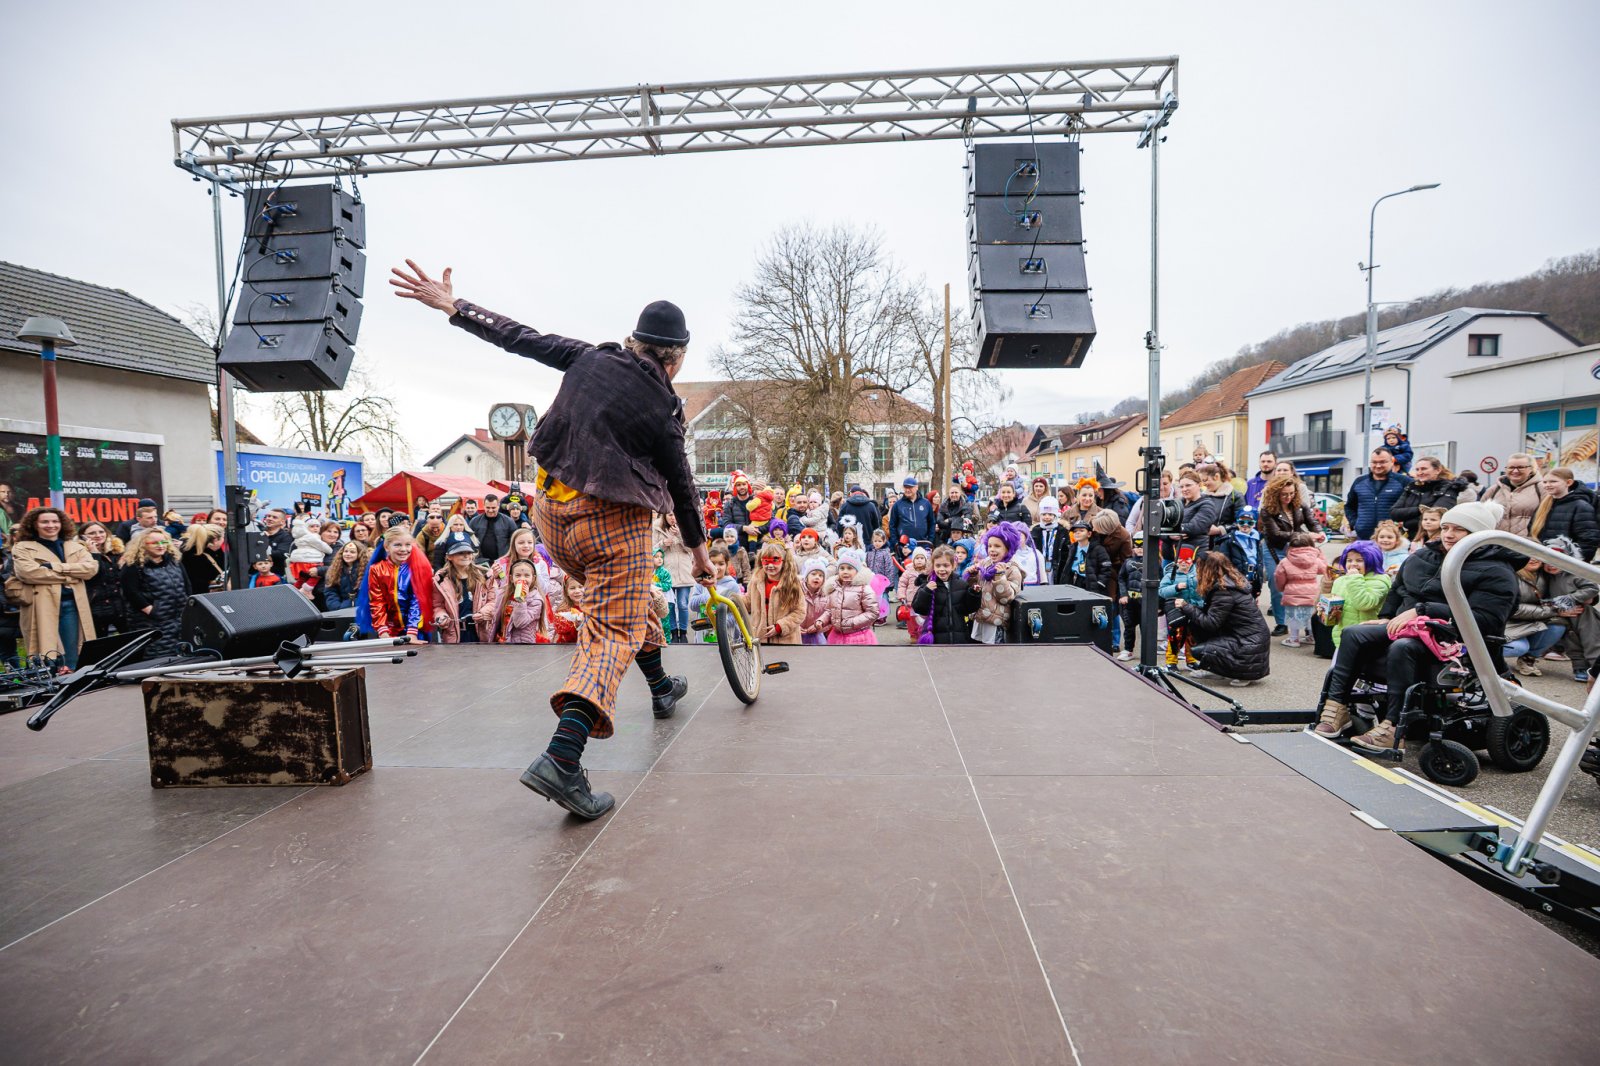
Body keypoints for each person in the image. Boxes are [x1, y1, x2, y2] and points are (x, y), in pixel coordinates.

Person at [395, 262, 715, 818]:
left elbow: (522, 337)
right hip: (615, 524)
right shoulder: (664, 407)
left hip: (551, 520)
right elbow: (682, 487)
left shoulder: (592, 356)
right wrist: (700, 548)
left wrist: (454, 306)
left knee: (629, 599)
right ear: (677, 356)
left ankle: (660, 685)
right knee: (610, 631)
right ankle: (564, 761)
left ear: (634, 341)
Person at [1316, 501, 1521, 746]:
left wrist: (1423, 610)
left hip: (1454, 640)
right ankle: (1338, 708)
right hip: (1407, 627)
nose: (1448, 534)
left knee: (1403, 646)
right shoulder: (1425, 555)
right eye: (1445, 527)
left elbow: (1485, 621)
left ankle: (1392, 727)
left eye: (1459, 529)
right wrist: (1386, 615)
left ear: (1477, 535)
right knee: (1354, 633)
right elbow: (1398, 588)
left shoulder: (1497, 571)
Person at [9, 507, 99, 669]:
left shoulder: (75, 546)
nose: (51, 525)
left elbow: (91, 569)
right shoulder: (22, 547)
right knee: (45, 655)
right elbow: (28, 573)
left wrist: (53, 567)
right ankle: (47, 689)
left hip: (72, 605)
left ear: (62, 523)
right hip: (41, 606)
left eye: (55, 521)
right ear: (34, 524)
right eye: (45, 521)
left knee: (73, 654)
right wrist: (72, 574)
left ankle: (71, 686)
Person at [1171, 553, 1272, 687]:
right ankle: (1217, 669)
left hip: (1248, 645)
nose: (1196, 569)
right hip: (1249, 640)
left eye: (1199, 566)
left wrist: (1186, 606)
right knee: (1195, 625)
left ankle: (1242, 674)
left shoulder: (1224, 591)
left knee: (1199, 649)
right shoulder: (1230, 582)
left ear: (1208, 569)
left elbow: (1211, 623)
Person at [1260, 471, 1322, 635]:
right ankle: (1282, 623)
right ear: (1275, 494)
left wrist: (1319, 532)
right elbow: (1275, 534)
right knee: (1276, 582)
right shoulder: (1267, 510)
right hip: (1274, 547)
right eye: (1283, 494)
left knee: (1300, 584)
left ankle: (1304, 622)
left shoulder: (1300, 505)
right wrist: (1305, 535)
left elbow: (1312, 522)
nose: (1288, 497)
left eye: (1291, 494)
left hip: (1297, 547)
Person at [119, 526, 190, 660]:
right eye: (155, 543)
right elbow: (131, 592)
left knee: (179, 654)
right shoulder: (133, 565)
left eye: (163, 542)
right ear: (143, 545)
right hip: (151, 620)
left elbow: (187, 585)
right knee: (155, 655)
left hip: (178, 616)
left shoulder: (174, 561)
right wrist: (150, 610)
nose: (160, 546)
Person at [1502, 557, 1575, 676]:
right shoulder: (1509, 574)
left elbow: (1573, 583)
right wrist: (1554, 610)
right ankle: (1475, 655)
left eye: (1537, 555)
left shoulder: (1546, 574)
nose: (1533, 559)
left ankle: (1527, 659)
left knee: (1558, 625)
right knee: (1518, 648)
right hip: (1507, 623)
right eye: (1528, 556)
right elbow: (1513, 609)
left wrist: (1589, 598)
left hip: (1533, 620)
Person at [965, 522, 1025, 644]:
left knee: (994, 655)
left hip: (995, 622)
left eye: (997, 546)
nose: (992, 549)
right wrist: (972, 576)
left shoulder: (1012, 569)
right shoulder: (985, 563)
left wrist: (999, 577)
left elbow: (1006, 598)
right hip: (980, 618)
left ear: (1008, 548)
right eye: (990, 546)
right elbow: (976, 586)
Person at [1324, 540, 1391, 647]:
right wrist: (1326, 610)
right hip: (1342, 634)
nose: (1353, 564)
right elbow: (1335, 609)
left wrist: (1354, 579)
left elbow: (1364, 604)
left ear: (1372, 561)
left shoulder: (1379, 581)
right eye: (1349, 560)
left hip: (1365, 636)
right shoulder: (1340, 581)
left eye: (1359, 560)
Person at [1530, 468, 1600, 561]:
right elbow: (1532, 531)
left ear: (1569, 483)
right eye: (1545, 482)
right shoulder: (1543, 505)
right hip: (1545, 561)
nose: (1547, 485)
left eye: (1553, 481)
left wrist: (1574, 563)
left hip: (1568, 565)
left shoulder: (1581, 506)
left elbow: (1589, 539)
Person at [1388, 457, 1466, 540]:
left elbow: (1435, 515)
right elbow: (1394, 513)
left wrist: (1407, 517)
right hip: (1410, 537)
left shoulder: (1449, 488)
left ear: (1437, 470)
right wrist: (1419, 509)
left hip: (1434, 538)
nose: (1420, 472)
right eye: (1417, 469)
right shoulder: (1411, 487)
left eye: (1424, 469)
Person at [912, 545, 976, 644]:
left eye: (946, 565)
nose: (942, 569)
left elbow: (969, 608)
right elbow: (919, 608)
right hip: (937, 637)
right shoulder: (928, 584)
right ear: (933, 566)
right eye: (938, 566)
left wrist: (974, 594)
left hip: (959, 636)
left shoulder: (961, 584)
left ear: (953, 565)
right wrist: (926, 591)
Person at [1344, 448, 1411, 540]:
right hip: (1364, 538)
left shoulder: (1404, 482)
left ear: (1392, 462)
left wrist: (1404, 524)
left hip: (1392, 540)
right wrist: (1356, 523)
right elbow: (1349, 506)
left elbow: (1413, 507)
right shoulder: (1359, 482)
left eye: (1382, 462)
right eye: (1374, 462)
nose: (1378, 465)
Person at [745, 542, 804, 645]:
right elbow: (748, 601)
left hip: (786, 642)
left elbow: (800, 612)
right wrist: (729, 605)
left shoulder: (792, 583)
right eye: (766, 561)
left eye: (775, 560)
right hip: (760, 640)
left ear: (784, 561)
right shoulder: (756, 581)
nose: (770, 565)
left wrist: (780, 626)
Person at [484, 558, 553, 644]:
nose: (522, 579)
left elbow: (520, 623)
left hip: (522, 645)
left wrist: (521, 600)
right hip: (503, 641)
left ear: (534, 578)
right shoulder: (504, 594)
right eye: (518, 575)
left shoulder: (536, 600)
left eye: (527, 575)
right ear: (511, 578)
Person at [1274, 532, 1324, 648]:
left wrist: (1281, 588)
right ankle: (1311, 636)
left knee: (1294, 617)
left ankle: (1294, 639)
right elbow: (1324, 569)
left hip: (1293, 594)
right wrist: (1319, 554)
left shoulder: (1285, 561)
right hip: (1312, 594)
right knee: (1310, 616)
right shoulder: (1315, 560)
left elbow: (1278, 576)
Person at [433, 540, 490, 644]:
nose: (466, 556)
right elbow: (438, 605)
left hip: (481, 631)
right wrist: (441, 617)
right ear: (449, 556)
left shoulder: (484, 575)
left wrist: (483, 613)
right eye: (460, 553)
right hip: (454, 633)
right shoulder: (440, 579)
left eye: (469, 553)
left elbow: (493, 601)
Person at [652, 512, 696, 644]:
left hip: (684, 571)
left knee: (682, 604)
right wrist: (663, 543)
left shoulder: (685, 526)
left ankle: (683, 632)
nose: (673, 518)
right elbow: (652, 550)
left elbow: (691, 548)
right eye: (670, 515)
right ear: (665, 515)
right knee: (669, 605)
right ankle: (672, 632)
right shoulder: (657, 528)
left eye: (675, 514)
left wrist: (680, 536)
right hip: (666, 572)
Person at [1158, 546, 1204, 669]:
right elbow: (1161, 591)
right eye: (1180, 559)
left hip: (1194, 608)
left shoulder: (1199, 573)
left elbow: (1204, 591)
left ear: (1192, 560)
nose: (1183, 562)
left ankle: (1191, 659)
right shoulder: (1170, 574)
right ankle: (1172, 661)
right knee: (1176, 635)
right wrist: (1176, 587)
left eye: (1187, 559)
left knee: (1192, 635)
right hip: (1177, 610)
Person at [823, 548, 880, 645]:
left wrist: (852, 622)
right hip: (837, 636)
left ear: (857, 570)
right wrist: (821, 620)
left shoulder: (864, 589)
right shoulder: (834, 587)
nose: (845, 571)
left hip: (858, 637)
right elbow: (829, 610)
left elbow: (873, 612)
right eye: (842, 568)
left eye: (849, 568)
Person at [1480, 454, 1545, 537]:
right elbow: (1480, 514)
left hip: (1528, 544)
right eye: (1511, 467)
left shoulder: (1541, 488)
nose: (1515, 471)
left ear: (1531, 469)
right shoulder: (1494, 489)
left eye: (1521, 467)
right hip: (1497, 543)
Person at [1171, 472, 1223, 561]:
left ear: (1199, 485)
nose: (1184, 489)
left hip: (1193, 558)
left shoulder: (1207, 504)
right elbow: (1161, 527)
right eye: (1182, 487)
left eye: (1188, 485)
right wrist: (1169, 535)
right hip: (1171, 556)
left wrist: (1171, 530)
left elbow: (1194, 527)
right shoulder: (1176, 503)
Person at [1217, 505, 1264, 601]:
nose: (1245, 525)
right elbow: (1223, 564)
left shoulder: (1257, 540)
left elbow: (1259, 563)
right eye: (1241, 522)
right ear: (1237, 523)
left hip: (1252, 583)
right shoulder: (1229, 540)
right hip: (1235, 584)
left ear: (1254, 524)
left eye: (1249, 522)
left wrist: (1258, 587)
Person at [1115, 533, 1148, 661]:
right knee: (1128, 626)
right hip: (1129, 600)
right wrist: (1123, 594)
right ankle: (1128, 649)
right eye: (1136, 545)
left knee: (1145, 627)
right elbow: (1121, 578)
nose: (1139, 548)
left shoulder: (1153, 562)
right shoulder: (1128, 562)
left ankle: (1147, 651)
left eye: (1142, 545)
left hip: (1145, 601)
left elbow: (1159, 582)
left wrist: (1158, 604)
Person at [889, 476, 935, 561]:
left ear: (916, 487)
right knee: (906, 572)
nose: (907, 490)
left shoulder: (926, 503)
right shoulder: (898, 505)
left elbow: (932, 523)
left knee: (923, 572)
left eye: (910, 487)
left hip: (923, 545)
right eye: (905, 487)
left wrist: (930, 541)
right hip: (905, 547)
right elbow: (892, 526)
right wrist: (897, 544)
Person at [1062, 520, 1111, 595]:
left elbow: (1106, 568)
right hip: (1075, 581)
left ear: (1089, 534)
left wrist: (1099, 583)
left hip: (1091, 583)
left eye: (1081, 530)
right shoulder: (1072, 547)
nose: (1077, 533)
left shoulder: (1098, 549)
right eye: (1075, 531)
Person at [469, 493, 518, 564]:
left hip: (502, 561)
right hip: (480, 562)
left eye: (493, 508)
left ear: (498, 506)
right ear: (484, 506)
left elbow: (515, 541)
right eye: (488, 508)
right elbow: (469, 541)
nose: (490, 510)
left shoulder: (508, 521)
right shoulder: (474, 521)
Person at [179, 523, 227, 594]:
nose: (224, 540)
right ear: (215, 540)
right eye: (223, 537)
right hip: (205, 597)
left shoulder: (190, 552)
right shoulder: (197, 557)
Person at [322, 540, 368, 611]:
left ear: (359, 554)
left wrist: (353, 604)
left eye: (352, 552)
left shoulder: (367, 569)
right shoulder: (334, 569)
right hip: (341, 609)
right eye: (346, 551)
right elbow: (330, 591)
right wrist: (336, 606)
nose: (348, 554)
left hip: (363, 608)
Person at [1032, 497, 1067, 586]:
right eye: (1044, 514)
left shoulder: (1062, 531)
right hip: (1039, 565)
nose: (1047, 517)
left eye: (1050, 514)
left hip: (1055, 565)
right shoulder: (1035, 531)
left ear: (1055, 516)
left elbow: (1066, 551)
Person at [256, 508, 295, 577]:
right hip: (255, 575)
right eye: (268, 516)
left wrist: (264, 541)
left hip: (277, 576)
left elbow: (280, 555)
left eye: (274, 517)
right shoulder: (258, 532)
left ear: (282, 522)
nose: (269, 519)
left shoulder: (286, 537)